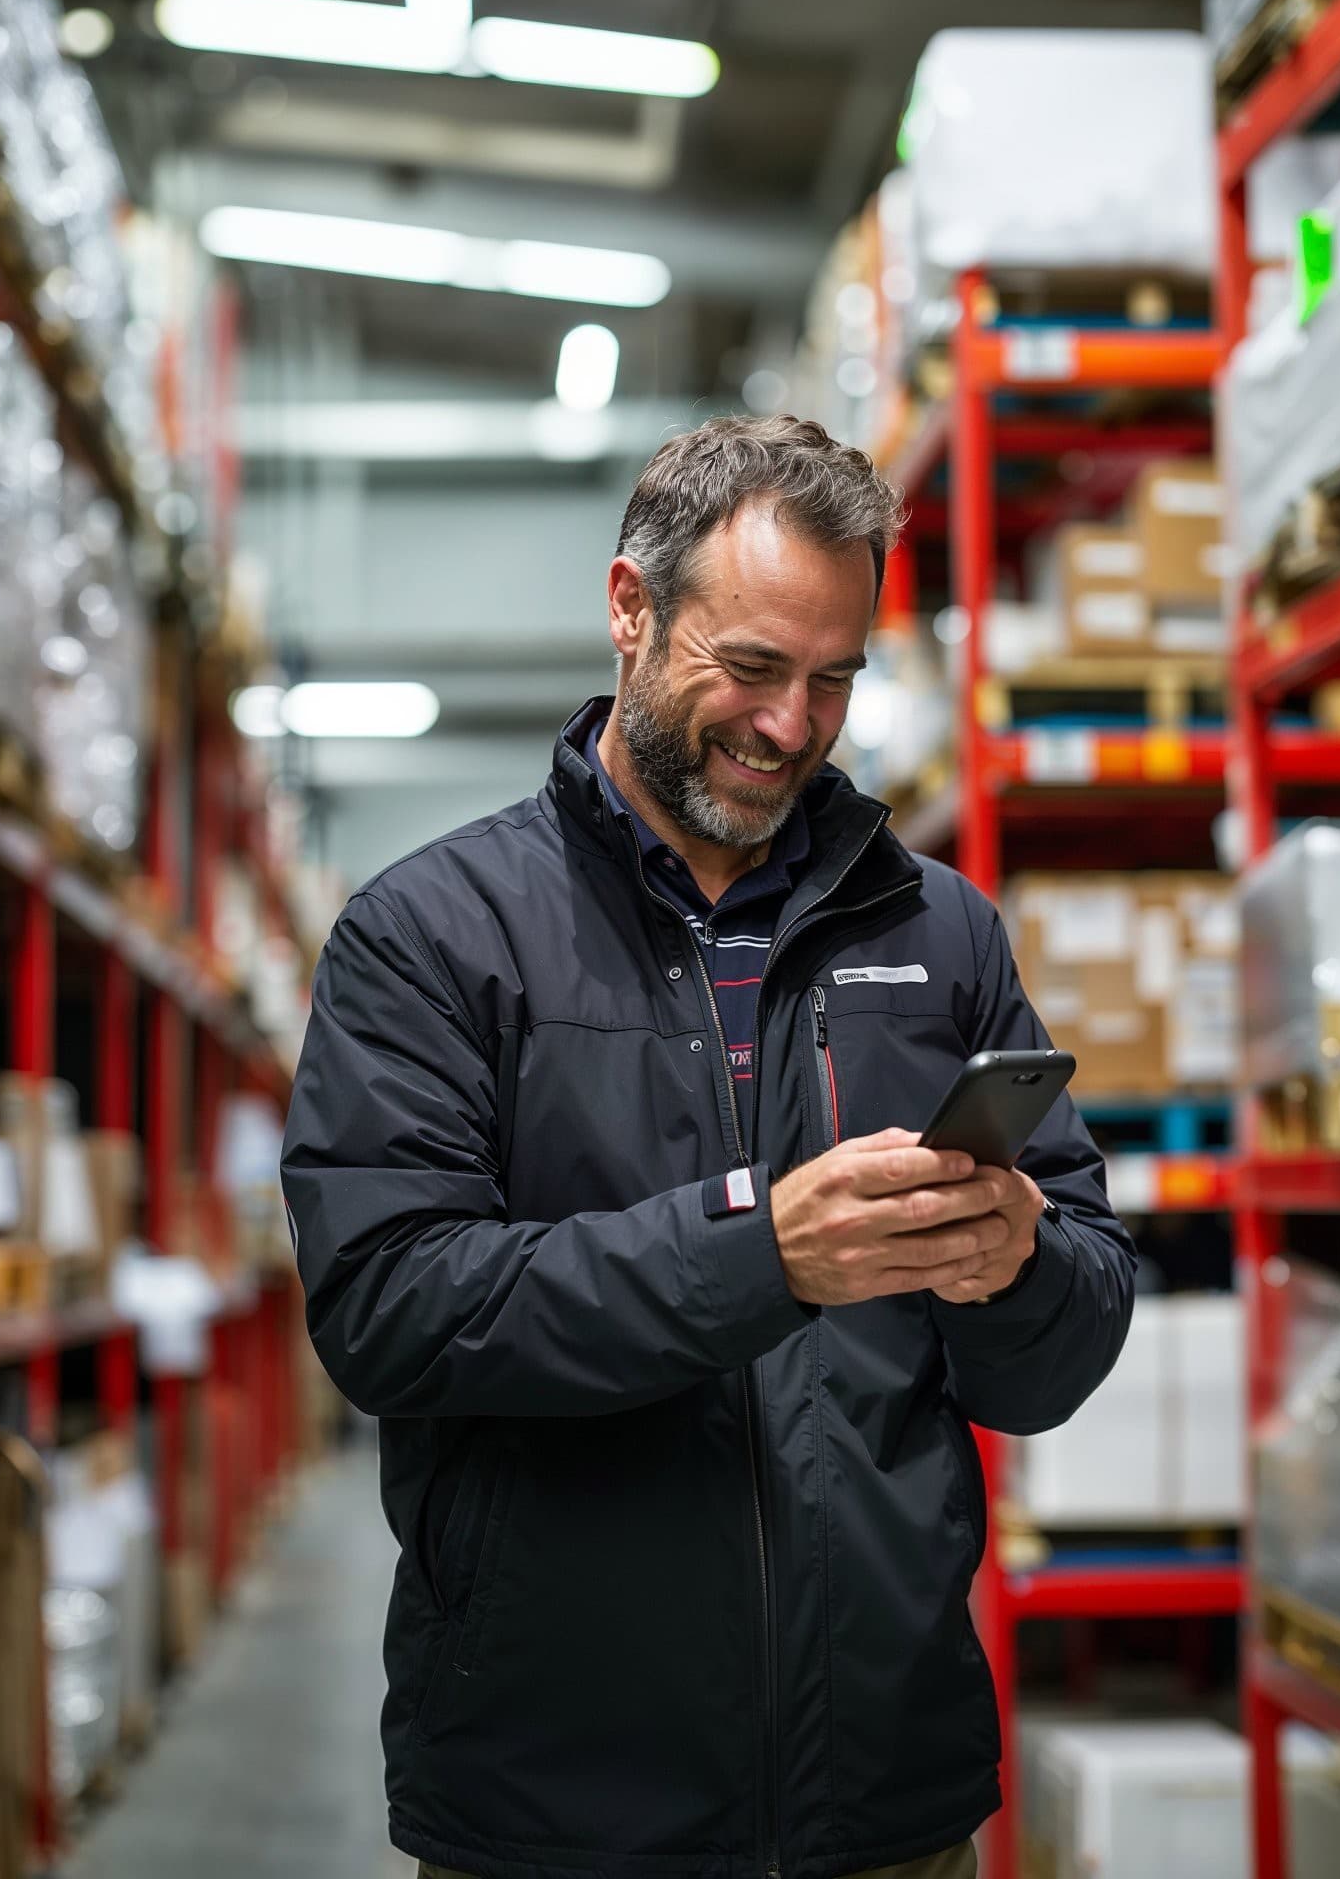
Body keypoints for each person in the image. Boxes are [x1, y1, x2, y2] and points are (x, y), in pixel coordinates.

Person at [281, 415, 1136, 1879]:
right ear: (631, 609)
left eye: (833, 680)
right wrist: (763, 1255)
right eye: (749, 668)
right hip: (559, 1808)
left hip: (888, 1801)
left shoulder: (938, 934)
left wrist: (1020, 1266)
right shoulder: (434, 934)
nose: (791, 727)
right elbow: (390, 1308)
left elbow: (1058, 1354)